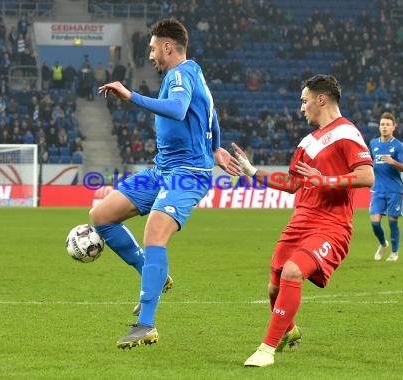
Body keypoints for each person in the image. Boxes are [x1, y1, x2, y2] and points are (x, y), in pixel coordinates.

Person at [92, 18, 240, 349]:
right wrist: (215, 145)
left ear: (167, 47)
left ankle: (145, 324)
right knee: (102, 216)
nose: (150, 55)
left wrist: (131, 96)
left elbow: (176, 109)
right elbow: (212, 112)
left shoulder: (179, 75)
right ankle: (155, 274)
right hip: (162, 169)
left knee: (154, 233)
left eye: (152, 48)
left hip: (188, 174)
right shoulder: (194, 73)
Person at [233, 74, 374, 367]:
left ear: (320, 99)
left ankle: (266, 350)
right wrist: (251, 170)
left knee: (293, 272)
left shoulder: (347, 133)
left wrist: (326, 180)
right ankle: (290, 329)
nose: (301, 107)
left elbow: (366, 176)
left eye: (304, 100)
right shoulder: (307, 142)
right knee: (273, 287)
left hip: (331, 225)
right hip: (300, 221)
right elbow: (292, 182)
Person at [369, 112, 403, 262]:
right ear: (379, 127)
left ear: (393, 127)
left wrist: (393, 162)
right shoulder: (373, 144)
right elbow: (370, 162)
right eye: (382, 124)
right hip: (378, 189)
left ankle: (394, 252)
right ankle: (383, 243)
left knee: (392, 222)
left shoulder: (398, 146)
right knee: (374, 222)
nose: (384, 127)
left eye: (387, 125)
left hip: (394, 190)